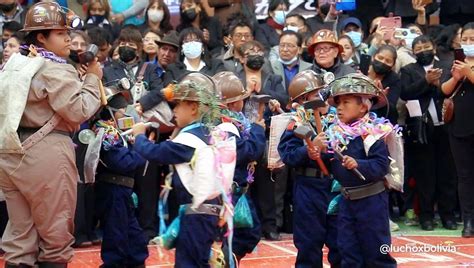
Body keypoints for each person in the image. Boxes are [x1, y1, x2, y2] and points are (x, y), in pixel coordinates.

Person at [0, 2, 103, 267]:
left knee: (20, 241)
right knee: (55, 238)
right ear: (41, 37)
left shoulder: (13, 64)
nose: (68, 37)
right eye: (59, 33)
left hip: (10, 153)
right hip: (46, 153)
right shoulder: (55, 67)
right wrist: (92, 78)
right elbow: (79, 110)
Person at [132, 72, 224, 267]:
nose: (174, 111)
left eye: (178, 105)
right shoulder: (206, 134)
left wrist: (139, 136)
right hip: (207, 213)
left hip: (197, 215)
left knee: (189, 263)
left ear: (193, 108)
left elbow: (155, 153)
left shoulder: (188, 140)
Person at [324, 74, 397, 267]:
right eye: (337, 103)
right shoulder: (334, 134)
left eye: (346, 102)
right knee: (348, 251)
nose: (339, 107)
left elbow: (381, 166)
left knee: (376, 252)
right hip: (347, 202)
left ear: (363, 106)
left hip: (372, 203)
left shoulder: (372, 134)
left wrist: (359, 164)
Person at [278, 70, 341, 268]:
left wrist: (329, 149)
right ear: (303, 100)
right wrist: (308, 149)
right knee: (308, 245)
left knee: (340, 244)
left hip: (334, 187)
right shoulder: (297, 123)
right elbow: (287, 154)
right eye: (314, 95)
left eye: (321, 92)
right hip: (308, 187)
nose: (320, 97)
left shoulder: (338, 117)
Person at [401, 35, 457, 231]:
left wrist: (437, 83)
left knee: (447, 174)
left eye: (426, 46)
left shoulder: (448, 66)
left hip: (447, 126)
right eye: (418, 47)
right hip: (422, 129)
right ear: (413, 51)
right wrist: (425, 81)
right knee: (425, 176)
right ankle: (426, 216)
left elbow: (451, 91)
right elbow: (405, 93)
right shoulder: (408, 70)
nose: (423, 49)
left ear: (433, 47)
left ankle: (448, 216)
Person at [237, 40, 288, 241]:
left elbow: (284, 99)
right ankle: (245, 226)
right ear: (241, 58)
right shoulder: (236, 79)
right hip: (241, 135)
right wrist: (246, 92)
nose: (255, 54)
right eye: (250, 52)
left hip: (267, 136)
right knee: (242, 182)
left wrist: (260, 93)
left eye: (259, 50)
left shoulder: (273, 78)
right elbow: (226, 98)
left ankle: (269, 225)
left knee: (268, 185)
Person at [213, 71, 266, 265]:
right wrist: (259, 129)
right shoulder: (225, 127)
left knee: (239, 234)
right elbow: (248, 151)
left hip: (230, 189)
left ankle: (228, 259)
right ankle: (226, 261)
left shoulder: (226, 121)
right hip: (229, 191)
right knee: (246, 234)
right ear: (233, 104)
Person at [94, 91, 148, 267]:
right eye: (121, 111)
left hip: (123, 193)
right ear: (110, 111)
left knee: (135, 241)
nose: (125, 115)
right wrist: (142, 148)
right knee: (116, 243)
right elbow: (123, 162)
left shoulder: (117, 133)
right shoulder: (106, 132)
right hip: (113, 192)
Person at [441, 22, 474, 238]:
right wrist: (456, 76)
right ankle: (468, 220)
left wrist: (469, 72)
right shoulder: (456, 61)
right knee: (464, 176)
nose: (469, 43)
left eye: (473, 40)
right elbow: (444, 90)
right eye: (465, 39)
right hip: (459, 125)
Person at [368, 45, 401, 125]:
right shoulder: (363, 70)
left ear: (392, 65)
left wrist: (383, 100)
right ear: (373, 57)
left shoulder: (395, 79)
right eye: (380, 58)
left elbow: (392, 107)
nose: (383, 62)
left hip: (383, 122)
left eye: (388, 61)